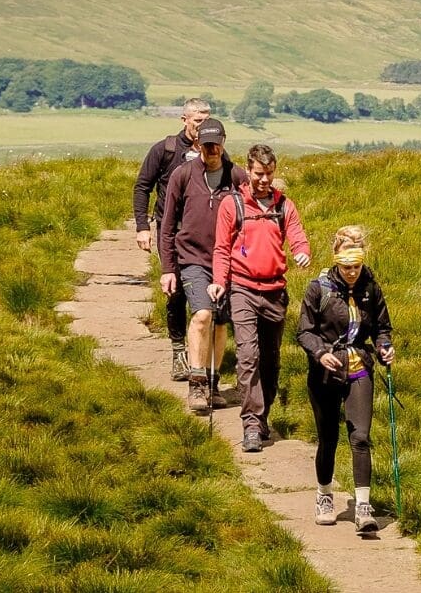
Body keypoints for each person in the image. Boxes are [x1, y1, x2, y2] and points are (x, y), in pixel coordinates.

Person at [209, 144, 311, 453]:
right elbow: (221, 248)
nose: (264, 180)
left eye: (269, 174)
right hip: (242, 288)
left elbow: (297, 234)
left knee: (270, 359)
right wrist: (218, 282)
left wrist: (301, 251)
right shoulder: (233, 205)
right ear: (248, 170)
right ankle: (251, 423)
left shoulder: (284, 205)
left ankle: (263, 417)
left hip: (275, 291)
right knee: (247, 356)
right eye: (258, 174)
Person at [296, 225, 394, 534]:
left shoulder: (371, 288)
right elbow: (304, 330)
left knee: (361, 436)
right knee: (328, 437)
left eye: (356, 266)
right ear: (337, 261)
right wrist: (318, 351)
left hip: (359, 367)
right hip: (326, 370)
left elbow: (382, 327)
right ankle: (324, 495)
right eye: (346, 267)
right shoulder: (318, 289)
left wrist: (384, 348)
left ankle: (363, 507)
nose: (352, 272)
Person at [159, 117, 247, 414]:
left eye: (216, 144)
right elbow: (168, 226)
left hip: (229, 261)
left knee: (221, 323)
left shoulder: (237, 177)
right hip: (192, 259)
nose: (211, 149)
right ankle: (196, 385)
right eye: (206, 144)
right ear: (197, 144)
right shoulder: (182, 175)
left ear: (223, 143)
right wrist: (168, 269)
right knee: (202, 315)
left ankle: (212, 383)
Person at [133, 97, 210, 380]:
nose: (202, 126)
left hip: (202, 234)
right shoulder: (165, 149)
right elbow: (142, 187)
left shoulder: (214, 151)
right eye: (197, 120)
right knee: (175, 291)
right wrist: (142, 226)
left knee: (203, 293)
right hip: (169, 230)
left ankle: (202, 351)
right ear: (185, 120)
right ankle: (179, 352)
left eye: (206, 120)